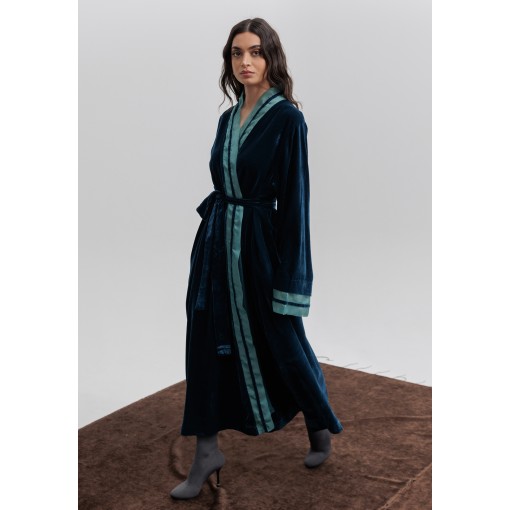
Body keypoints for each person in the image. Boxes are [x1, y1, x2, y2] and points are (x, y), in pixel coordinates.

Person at [170, 17, 344, 500]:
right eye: (236, 53)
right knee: (205, 340)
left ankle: (318, 422)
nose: (245, 61)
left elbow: (295, 202)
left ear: (271, 57)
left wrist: (292, 279)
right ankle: (207, 451)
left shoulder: (288, 119)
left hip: (260, 248)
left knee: (283, 339)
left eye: (255, 52)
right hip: (215, 246)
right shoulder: (227, 119)